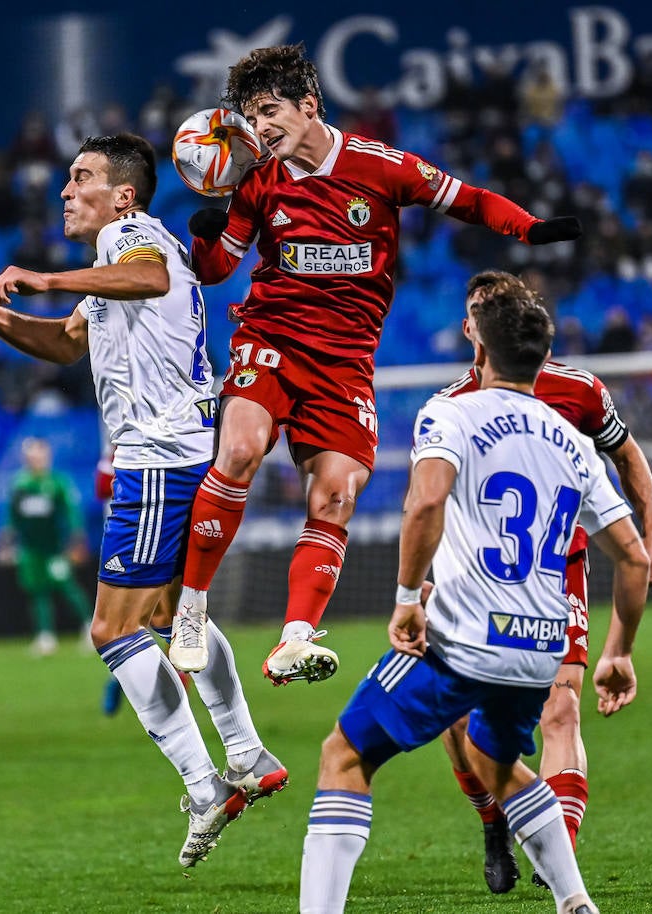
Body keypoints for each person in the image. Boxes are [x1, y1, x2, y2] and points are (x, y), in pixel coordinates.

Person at [0, 133, 284, 867]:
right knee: (167, 614)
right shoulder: (114, 261)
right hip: (182, 452)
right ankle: (245, 752)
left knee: (112, 632)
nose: (64, 191)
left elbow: (144, 279)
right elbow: (64, 345)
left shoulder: (133, 235)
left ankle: (208, 783)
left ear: (123, 193)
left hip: (156, 459)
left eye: (80, 178)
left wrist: (47, 277)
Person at [173, 43, 581, 685]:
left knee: (336, 492)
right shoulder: (255, 178)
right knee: (243, 448)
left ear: (309, 105)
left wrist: (529, 230)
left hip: (346, 360)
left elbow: (468, 200)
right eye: (250, 117)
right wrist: (206, 228)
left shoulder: (381, 167)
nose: (261, 128)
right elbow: (216, 267)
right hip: (271, 336)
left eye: (270, 111)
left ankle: (295, 638)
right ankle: (191, 609)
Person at [297, 272, 651, 914]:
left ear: (478, 348)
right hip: (542, 646)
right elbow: (633, 554)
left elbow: (426, 500)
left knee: (344, 755)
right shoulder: (572, 441)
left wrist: (407, 596)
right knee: (497, 760)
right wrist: (619, 649)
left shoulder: (451, 412)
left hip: (463, 638)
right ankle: (576, 903)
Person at [434, 272, 652, 895]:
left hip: (555, 571)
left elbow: (626, 453)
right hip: (474, 581)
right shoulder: (451, 407)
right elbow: (432, 504)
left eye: (488, 310)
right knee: (459, 725)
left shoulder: (578, 391)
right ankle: (493, 822)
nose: (478, 322)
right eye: (475, 310)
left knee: (562, 709)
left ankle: (556, 855)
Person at [5, 437, 94, 656]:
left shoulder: (58, 482)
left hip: (55, 547)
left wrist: (77, 538)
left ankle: (90, 628)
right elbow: (12, 515)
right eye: (32, 455)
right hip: (30, 548)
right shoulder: (20, 483)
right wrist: (6, 538)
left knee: (67, 586)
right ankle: (45, 636)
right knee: (38, 591)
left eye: (40, 455)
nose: (36, 459)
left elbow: (72, 512)